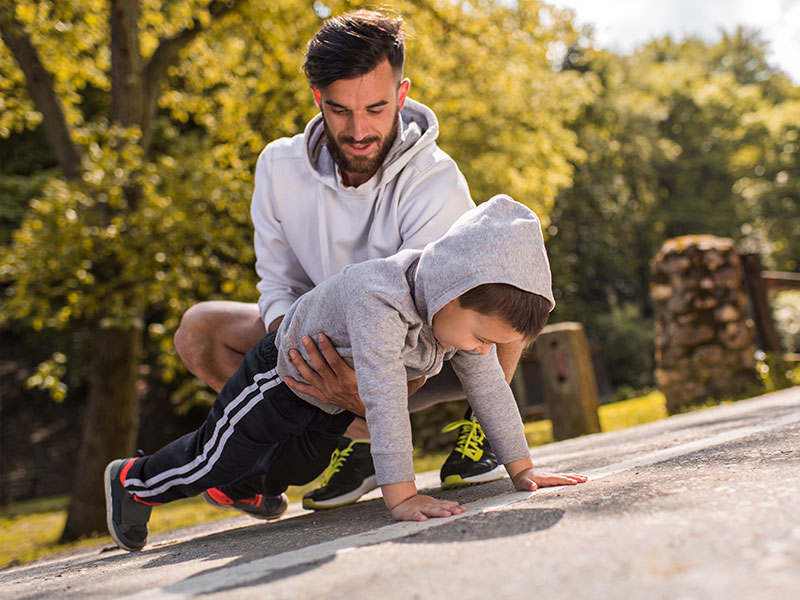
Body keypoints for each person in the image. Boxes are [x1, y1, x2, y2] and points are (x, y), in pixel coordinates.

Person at [172, 10, 528, 513]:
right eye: (340, 110)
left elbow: (431, 318)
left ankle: (481, 428)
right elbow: (278, 285)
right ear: (318, 98)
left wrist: (367, 387)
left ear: (401, 96)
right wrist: (297, 358)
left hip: (423, 355)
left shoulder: (435, 181)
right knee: (199, 331)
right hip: (325, 339)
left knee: (508, 286)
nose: (359, 130)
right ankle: (347, 444)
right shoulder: (277, 166)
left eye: (376, 109)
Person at [105, 196, 588, 552]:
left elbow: (491, 392)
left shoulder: (457, 317)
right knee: (213, 458)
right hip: (280, 379)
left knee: (297, 471)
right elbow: (384, 400)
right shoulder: (380, 298)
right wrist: (402, 497)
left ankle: (239, 485)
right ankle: (133, 481)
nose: (483, 350)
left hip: (329, 403)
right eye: (483, 336)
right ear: (451, 289)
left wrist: (523, 469)